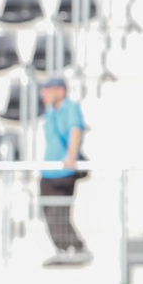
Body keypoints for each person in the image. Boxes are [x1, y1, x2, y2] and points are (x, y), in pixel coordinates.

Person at [39, 77, 90, 266]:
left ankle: (76, 248)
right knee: (49, 214)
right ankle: (63, 249)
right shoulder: (51, 112)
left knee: (59, 214)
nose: (43, 93)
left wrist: (71, 156)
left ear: (60, 91)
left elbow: (75, 130)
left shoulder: (70, 108)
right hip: (48, 173)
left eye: (47, 89)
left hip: (63, 172)